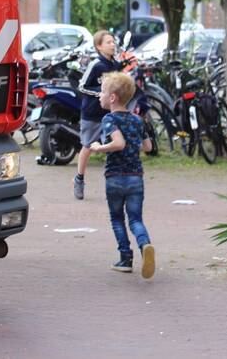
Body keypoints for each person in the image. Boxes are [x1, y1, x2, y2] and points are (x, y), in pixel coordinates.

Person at [88, 71, 156, 278]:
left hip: (116, 177)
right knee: (135, 219)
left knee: (117, 218)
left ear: (112, 98)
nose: (99, 96)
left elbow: (118, 143)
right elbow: (148, 146)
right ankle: (145, 245)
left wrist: (99, 148)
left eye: (101, 92)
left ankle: (125, 258)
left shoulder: (109, 119)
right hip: (136, 176)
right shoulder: (137, 120)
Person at [74, 30, 124, 200]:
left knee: (115, 147)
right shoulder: (96, 65)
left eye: (113, 42)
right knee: (88, 147)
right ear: (99, 46)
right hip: (92, 113)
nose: (112, 45)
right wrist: (101, 93)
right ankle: (79, 179)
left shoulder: (116, 65)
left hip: (111, 114)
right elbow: (82, 86)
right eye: (108, 42)